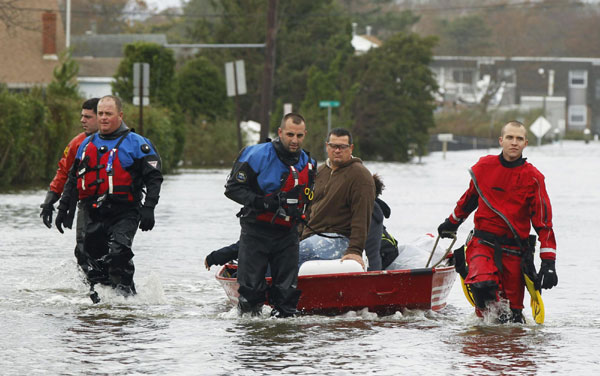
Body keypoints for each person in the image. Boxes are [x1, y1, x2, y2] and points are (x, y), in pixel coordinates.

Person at [437, 120, 558, 323]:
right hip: (482, 245)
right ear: (501, 141)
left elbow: (544, 223)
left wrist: (549, 263)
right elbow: (468, 200)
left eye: (519, 139)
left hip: (516, 252)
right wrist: (451, 223)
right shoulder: (484, 168)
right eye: (510, 137)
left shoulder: (534, 178)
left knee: (512, 318)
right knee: (484, 286)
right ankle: (481, 346)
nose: (514, 142)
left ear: (526, 143)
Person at [55, 95, 163, 301]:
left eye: (108, 114)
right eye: (101, 114)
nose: (104, 118)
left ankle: (126, 300)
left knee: (118, 253)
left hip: (125, 210)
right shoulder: (86, 144)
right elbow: (72, 179)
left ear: (120, 115)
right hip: (93, 210)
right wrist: (63, 208)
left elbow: (154, 178)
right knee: (89, 260)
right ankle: (100, 302)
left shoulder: (138, 144)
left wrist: (149, 208)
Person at [224, 113, 316, 317]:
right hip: (256, 230)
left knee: (286, 297)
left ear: (305, 135)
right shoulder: (255, 155)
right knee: (251, 296)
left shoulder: (309, 162)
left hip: (288, 233)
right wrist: (263, 202)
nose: (295, 140)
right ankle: (253, 342)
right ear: (280, 132)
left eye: (299, 136)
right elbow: (232, 189)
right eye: (290, 134)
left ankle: (283, 342)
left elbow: (309, 199)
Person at [205, 173, 395, 272]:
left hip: (347, 259)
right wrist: (221, 255)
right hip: (309, 248)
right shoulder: (330, 208)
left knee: (280, 253)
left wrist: (372, 277)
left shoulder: (371, 213)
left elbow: (372, 250)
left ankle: (268, 285)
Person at [299, 128, 375, 270]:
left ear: (351, 148)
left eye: (342, 147)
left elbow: (361, 217)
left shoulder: (360, 176)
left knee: (298, 253)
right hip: (310, 235)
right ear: (327, 146)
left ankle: (286, 290)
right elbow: (307, 210)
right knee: (278, 251)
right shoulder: (319, 172)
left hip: (339, 238)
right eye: (333, 146)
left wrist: (355, 250)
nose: (337, 150)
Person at [40, 98, 100, 277]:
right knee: (83, 252)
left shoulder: (124, 141)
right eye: (82, 116)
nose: (82, 120)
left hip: (116, 205)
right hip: (86, 204)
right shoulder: (77, 143)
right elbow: (63, 172)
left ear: (103, 117)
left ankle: (122, 295)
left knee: (116, 253)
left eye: (88, 117)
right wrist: (50, 201)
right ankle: (95, 296)